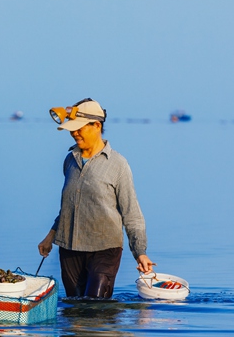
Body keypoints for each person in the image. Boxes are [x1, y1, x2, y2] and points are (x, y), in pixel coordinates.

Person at [38, 98, 155, 299]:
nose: (74, 133)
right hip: (69, 247)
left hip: (105, 248)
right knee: (75, 308)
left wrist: (140, 252)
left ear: (97, 125)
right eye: (71, 129)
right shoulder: (70, 161)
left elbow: (132, 214)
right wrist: (50, 237)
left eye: (79, 128)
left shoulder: (118, 165)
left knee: (95, 306)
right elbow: (69, 206)